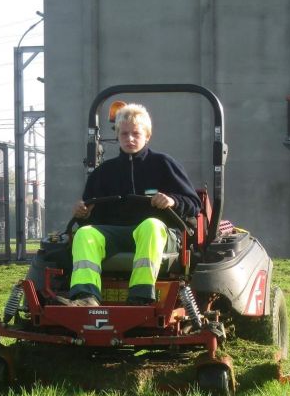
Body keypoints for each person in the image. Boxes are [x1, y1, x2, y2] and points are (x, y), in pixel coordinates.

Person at [63, 102, 200, 306]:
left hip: (160, 234)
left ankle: (141, 296)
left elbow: (193, 204)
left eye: (136, 133)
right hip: (116, 233)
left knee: (150, 225)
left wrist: (172, 200)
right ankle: (86, 297)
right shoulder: (104, 172)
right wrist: (82, 213)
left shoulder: (164, 164)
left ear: (147, 135)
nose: (130, 139)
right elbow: (91, 211)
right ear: (117, 135)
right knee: (85, 234)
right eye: (124, 134)